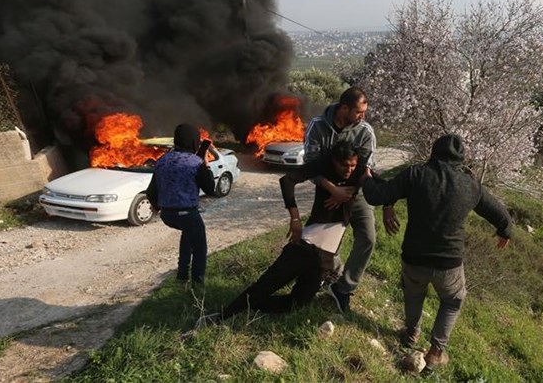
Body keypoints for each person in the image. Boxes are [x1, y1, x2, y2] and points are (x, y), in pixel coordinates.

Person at [362, 134, 513, 369]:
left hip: (414, 257)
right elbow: (499, 213)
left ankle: (411, 334)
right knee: (452, 301)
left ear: (433, 152)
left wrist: (367, 178)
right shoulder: (471, 185)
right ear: (461, 160)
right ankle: (435, 352)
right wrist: (505, 231)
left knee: (413, 294)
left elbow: (376, 194)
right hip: (449, 263)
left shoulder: (415, 174)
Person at [220, 141, 366, 319]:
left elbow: (380, 189)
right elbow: (287, 180)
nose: (349, 169)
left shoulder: (359, 171)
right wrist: (295, 218)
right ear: (335, 161)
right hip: (305, 247)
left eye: (353, 165)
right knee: (262, 288)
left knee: (297, 304)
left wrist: (384, 205)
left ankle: (250, 306)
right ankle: (222, 315)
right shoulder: (322, 166)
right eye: (344, 165)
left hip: (324, 259)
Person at [304, 86, 396, 313]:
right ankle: (330, 273)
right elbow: (309, 166)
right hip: (327, 192)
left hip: (357, 192)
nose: (363, 117)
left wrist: (347, 192)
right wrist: (333, 190)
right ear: (344, 108)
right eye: (359, 112)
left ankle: (343, 288)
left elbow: (366, 169)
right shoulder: (318, 127)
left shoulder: (365, 132)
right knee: (320, 241)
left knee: (368, 238)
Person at [146, 123, 216, 284]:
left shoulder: (162, 160)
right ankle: (197, 284)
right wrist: (206, 165)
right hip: (187, 214)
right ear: (194, 141)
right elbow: (211, 189)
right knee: (199, 247)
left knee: (187, 234)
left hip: (167, 215)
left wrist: (158, 208)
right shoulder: (196, 163)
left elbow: (151, 191)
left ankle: (182, 276)